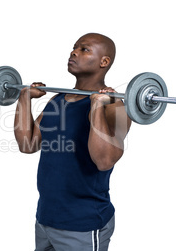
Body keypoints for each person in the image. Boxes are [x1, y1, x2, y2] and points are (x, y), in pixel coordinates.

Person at [14, 33, 131, 250]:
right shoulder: (58, 100)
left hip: (83, 224)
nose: (74, 52)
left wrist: (96, 106)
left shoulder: (116, 106)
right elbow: (27, 144)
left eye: (84, 49)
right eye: (74, 47)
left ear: (104, 62)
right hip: (46, 219)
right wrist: (24, 98)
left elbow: (104, 160)